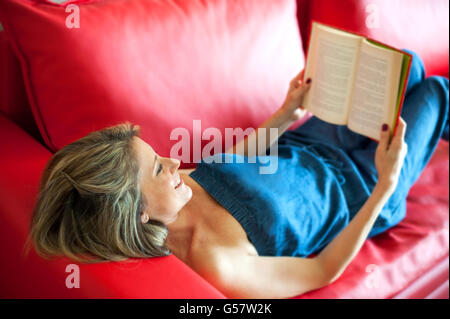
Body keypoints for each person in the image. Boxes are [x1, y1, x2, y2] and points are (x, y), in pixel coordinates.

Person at [27, 49, 449, 298]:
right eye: (158, 167)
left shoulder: (176, 193)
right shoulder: (217, 265)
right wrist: (387, 184)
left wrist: (286, 114)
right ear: (136, 214)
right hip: (364, 185)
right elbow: (321, 272)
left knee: (405, 67)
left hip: (312, 144)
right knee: (435, 91)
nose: (174, 162)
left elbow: (232, 161)